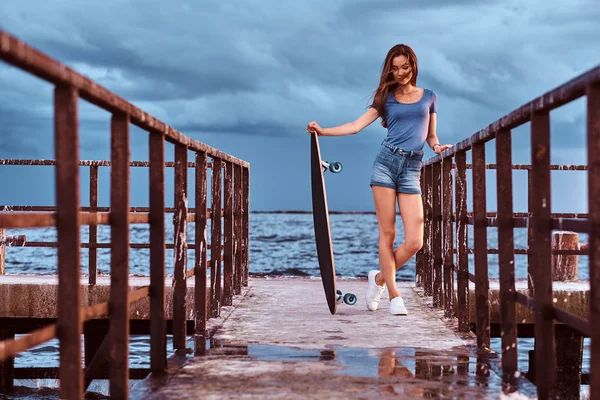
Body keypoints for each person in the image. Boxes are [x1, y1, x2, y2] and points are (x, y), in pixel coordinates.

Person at [306, 44, 452, 316]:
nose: (400, 73)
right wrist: (322, 131)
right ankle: (394, 295)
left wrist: (437, 147)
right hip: (385, 164)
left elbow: (431, 135)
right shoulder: (386, 97)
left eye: (405, 67)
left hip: (411, 168)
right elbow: (356, 126)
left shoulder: (430, 97)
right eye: (394, 68)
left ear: (414, 66)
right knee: (388, 234)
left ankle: (378, 279)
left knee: (415, 241)